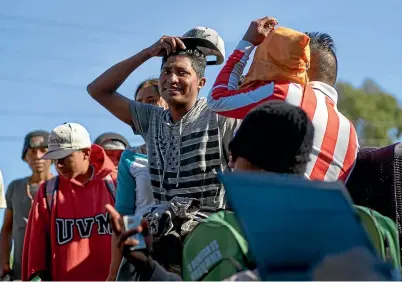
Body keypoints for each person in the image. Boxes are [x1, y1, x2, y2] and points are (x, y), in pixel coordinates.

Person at [107, 101, 395, 281]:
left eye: (234, 158)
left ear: (248, 161)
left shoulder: (226, 233)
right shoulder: (374, 225)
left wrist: (145, 266)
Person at [87, 27, 238, 210]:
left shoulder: (218, 115)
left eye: (182, 72)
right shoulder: (152, 119)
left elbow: (246, 176)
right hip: (164, 235)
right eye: (166, 71)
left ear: (201, 83)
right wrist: (148, 53)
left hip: (210, 234)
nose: (172, 79)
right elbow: (97, 89)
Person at [206, 17, 359, 183]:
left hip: (270, 205)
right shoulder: (352, 134)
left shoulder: (287, 93)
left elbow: (216, 99)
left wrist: (247, 43)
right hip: (322, 208)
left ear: (303, 65)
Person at [21, 122, 117, 281]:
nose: (58, 165)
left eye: (64, 157)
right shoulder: (48, 191)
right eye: (54, 158)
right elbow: (36, 253)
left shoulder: (115, 183)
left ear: (86, 152)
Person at [108, 78, 167, 280]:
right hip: (143, 252)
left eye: (151, 101)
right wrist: (113, 273)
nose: (143, 107)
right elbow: (124, 217)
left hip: (184, 246)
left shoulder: (193, 145)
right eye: (138, 103)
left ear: (167, 103)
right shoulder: (130, 157)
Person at [0, 130, 53, 280]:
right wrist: (3, 260)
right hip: (21, 270)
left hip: (55, 269)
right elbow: (6, 229)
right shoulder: (15, 187)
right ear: (25, 156)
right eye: (33, 151)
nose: (38, 156)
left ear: (54, 156)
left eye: (44, 150)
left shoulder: (61, 186)